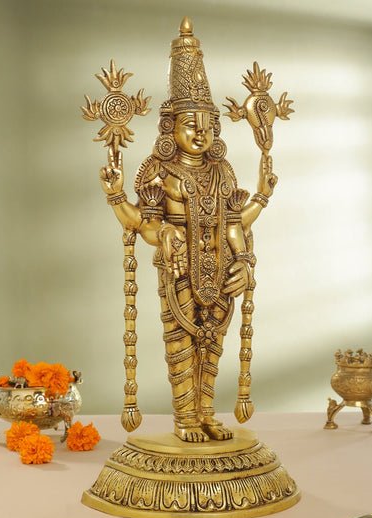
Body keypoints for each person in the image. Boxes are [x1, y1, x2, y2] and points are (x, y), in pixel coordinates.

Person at [98, 17, 276, 442]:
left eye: (207, 125)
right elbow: (144, 225)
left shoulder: (222, 171)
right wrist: (118, 197)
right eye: (190, 124)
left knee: (212, 343)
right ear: (170, 128)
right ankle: (185, 418)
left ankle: (206, 412)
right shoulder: (159, 171)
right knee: (181, 343)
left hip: (221, 269)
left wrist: (247, 250)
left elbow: (233, 224)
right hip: (178, 271)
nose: (200, 133)